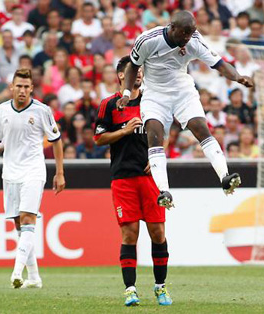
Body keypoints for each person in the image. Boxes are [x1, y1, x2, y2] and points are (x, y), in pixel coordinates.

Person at [117, 11, 254, 208]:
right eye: (184, 33)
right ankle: (164, 191)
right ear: (172, 27)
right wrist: (127, 93)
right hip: (155, 95)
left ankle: (225, 177)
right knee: (154, 134)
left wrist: (238, 77)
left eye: (191, 33)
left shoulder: (194, 41)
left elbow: (219, 64)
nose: (187, 38)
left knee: (200, 127)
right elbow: (133, 66)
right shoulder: (148, 40)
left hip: (183, 92)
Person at [94, 56, 172, 306]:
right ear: (120, 76)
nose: (138, 74)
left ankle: (160, 287)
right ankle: (130, 289)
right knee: (129, 234)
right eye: (132, 71)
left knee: (157, 231)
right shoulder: (109, 104)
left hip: (150, 177)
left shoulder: (152, 101)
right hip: (123, 177)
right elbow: (99, 138)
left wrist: (159, 155)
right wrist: (125, 130)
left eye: (140, 71)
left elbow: (164, 132)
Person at [0, 69, 65, 289]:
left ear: (32, 89)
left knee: (28, 219)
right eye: (19, 86)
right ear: (11, 87)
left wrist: (60, 172)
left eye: (27, 87)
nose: (22, 90)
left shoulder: (42, 110)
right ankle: (34, 277)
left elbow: (56, 140)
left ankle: (17, 272)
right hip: (10, 172)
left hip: (33, 171)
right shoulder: (1, 111)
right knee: (19, 224)